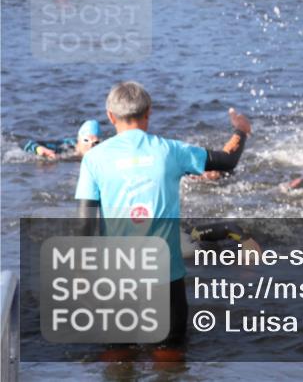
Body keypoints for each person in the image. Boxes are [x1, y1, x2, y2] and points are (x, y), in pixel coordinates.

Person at [75, 81, 253, 347]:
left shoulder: (94, 158)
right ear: (149, 113)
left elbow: (85, 225)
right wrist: (241, 130)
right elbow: (227, 161)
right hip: (165, 276)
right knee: (169, 359)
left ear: (111, 117)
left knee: (118, 359)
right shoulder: (171, 150)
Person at [23, 119, 102, 160]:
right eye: (86, 140)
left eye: (96, 142)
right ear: (79, 140)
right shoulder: (65, 146)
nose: (90, 146)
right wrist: (38, 149)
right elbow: (23, 142)